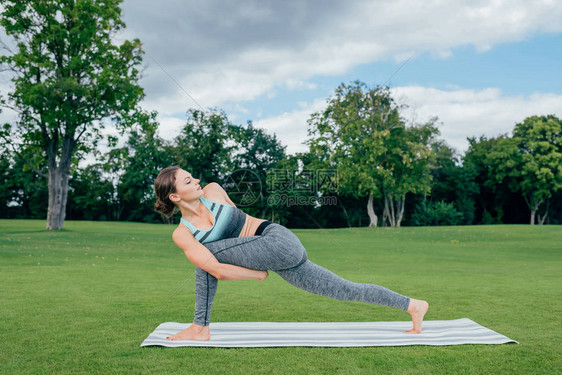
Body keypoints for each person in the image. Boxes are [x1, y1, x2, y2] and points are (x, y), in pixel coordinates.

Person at [153, 166, 428, 341]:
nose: (197, 180)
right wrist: (255, 271)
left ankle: (200, 328)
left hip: (277, 240)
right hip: (277, 258)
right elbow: (218, 270)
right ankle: (413, 305)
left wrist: (258, 274)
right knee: (344, 289)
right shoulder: (183, 233)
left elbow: (223, 254)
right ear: (175, 197)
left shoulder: (213, 190)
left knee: (206, 255)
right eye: (189, 181)